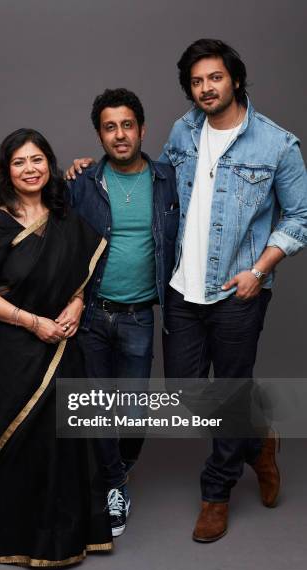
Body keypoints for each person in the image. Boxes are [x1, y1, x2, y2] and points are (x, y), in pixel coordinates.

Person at [159, 39, 307, 542]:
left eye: (214, 78)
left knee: (227, 390)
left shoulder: (276, 144)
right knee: (188, 392)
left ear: (235, 79)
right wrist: (94, 173)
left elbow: (301, 216)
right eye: (197, 81)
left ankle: (216, 495)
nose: (206, 88)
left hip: (238, 290)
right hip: (182, 287)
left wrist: (260, 270)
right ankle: (258, 441)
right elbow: (160, 184)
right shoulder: (183, 129)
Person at [0, 128, 112, 568]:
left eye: (37, 160)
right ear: (6, 171)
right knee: (20, 443)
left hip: (62, 343)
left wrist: (77, 301)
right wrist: (33, 323)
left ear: (49, 163)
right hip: (12, 349)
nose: (30, 169)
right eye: (19, 162)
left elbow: (83, 269)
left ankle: (68, 539)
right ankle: (17, 540)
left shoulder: (64, 216)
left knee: (64, 441)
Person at [67, 89, 179, 537]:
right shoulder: (82, 183)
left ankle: (116, 463)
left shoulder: (168, 180)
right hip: (92, 313)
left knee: (132, 409)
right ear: (100, 134)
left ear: (141, 129)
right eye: (110, 127)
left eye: (127, 125)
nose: (120, 134)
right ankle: (113, 483)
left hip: (138, 315)